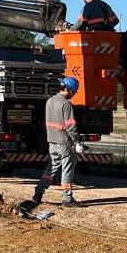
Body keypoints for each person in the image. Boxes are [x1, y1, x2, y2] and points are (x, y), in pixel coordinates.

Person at [30, 77, 85, 208]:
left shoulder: (49, 101)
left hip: (52, 142)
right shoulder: (66, 104)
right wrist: (77, 142)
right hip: (65, 143)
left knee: (51, 169)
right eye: (73, 91)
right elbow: (70, 126)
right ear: (68, 89)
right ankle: (67, 199)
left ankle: (38, 192)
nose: (73, 94)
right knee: (67, 171)